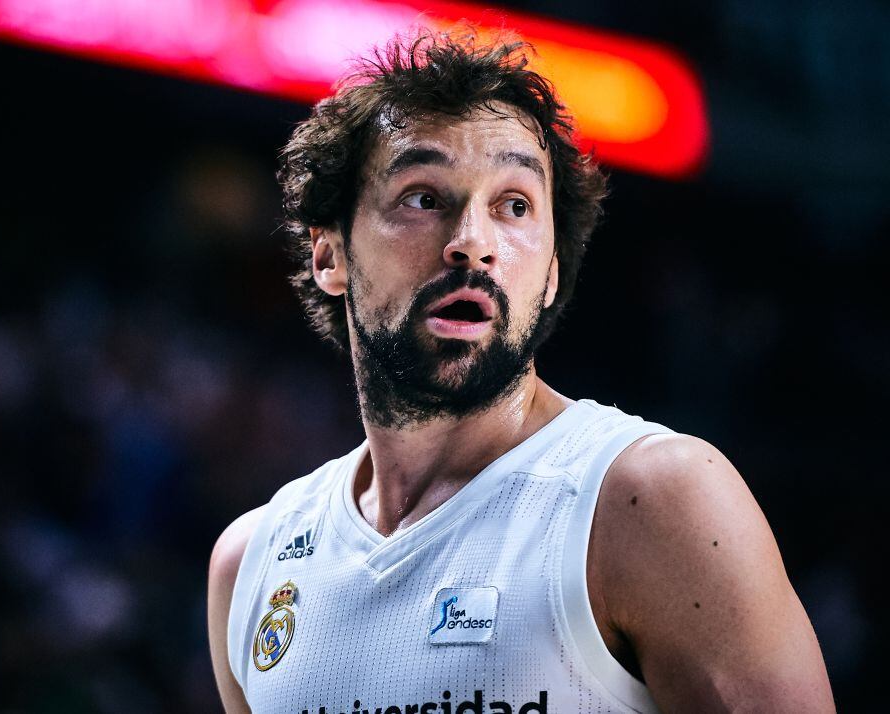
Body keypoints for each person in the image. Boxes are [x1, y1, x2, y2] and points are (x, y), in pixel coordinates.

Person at [207, 30, 834, 714]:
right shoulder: (251, 565)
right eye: (423, 197)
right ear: (330, 256)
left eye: (514, 205)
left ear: (551, 269)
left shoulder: (651, 500)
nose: (473, 243)